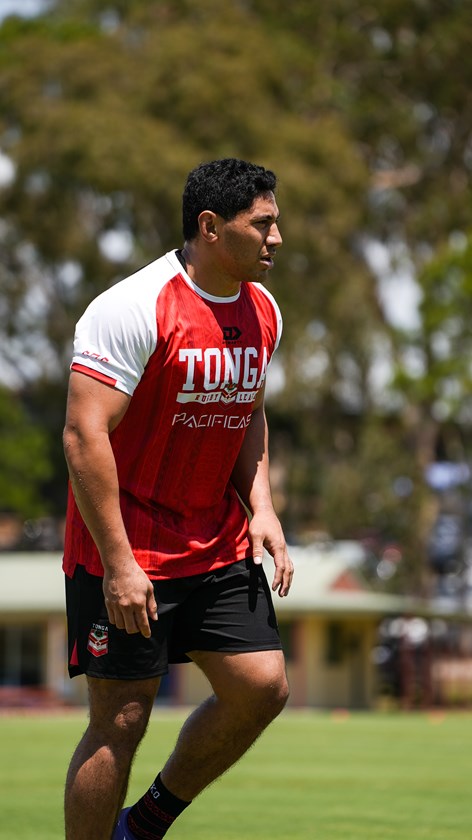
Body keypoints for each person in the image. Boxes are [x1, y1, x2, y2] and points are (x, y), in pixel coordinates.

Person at [62, 157, 293, 840]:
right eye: (263, 224)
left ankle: (145, 825)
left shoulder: (263, 309)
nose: (277, 238)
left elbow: (246, 410)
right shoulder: (132, 308)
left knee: (262, 687)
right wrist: (119, 563)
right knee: (122, 718)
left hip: (214, 539)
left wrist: (263, 507)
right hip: (126, 546)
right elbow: (83, 435)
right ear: (211, 226)